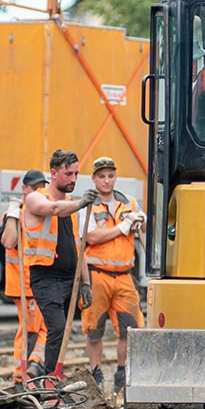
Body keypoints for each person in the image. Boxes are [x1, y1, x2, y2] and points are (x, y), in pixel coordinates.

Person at [22, 150, 96, 378]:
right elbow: (52, 209)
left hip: (68, 280)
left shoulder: (72, 207)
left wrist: (86, 282)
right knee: (56, 327)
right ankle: (46, 378)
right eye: (68, 174)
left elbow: (78, 246)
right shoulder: (36, 197)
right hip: (45, 277)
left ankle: (51, 375)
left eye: (76, 174)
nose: (73, 179)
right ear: (53, 174)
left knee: (62, 331)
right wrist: (82, 204)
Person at [81, 156, 145, 394]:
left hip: (125, 275)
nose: (107, 181)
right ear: (94, 178)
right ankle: (96, 374)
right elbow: (92, 237)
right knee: (94, 328)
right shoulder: (88, 205)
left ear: (115, 177)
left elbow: (145, 224)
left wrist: (139, 221)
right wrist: (122, 228)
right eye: (102, 176)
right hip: (97, 275)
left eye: (110, 176)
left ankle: (122, 372)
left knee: (130, 327)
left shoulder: (128, 202)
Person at [0, 170, 49, 383]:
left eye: (41, 187)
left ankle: (33, 366)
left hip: (38, 283)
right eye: (34, 188)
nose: (39, 191)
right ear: (24, 189)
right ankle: (22, 374)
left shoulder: (42, 214)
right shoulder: (16, 215)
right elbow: (9, 242)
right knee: (30, 331)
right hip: (25, 284)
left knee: (44, 327)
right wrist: (13, 212)